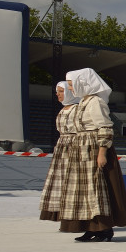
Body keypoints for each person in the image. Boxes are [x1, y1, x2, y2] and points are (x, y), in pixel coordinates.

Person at [58, 68, 126, 241]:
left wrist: (102, 153)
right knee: (84, 191)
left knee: (97, 189)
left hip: (93, 148)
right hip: (81, 148)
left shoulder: (95, 102)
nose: (71, 89)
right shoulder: (83, 102)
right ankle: (91, 227)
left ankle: (104, 228)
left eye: (72, 85)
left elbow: (105, 128)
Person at [39, 80, 78, 225]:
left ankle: (74, 217)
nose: (58, 94)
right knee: (61, 182)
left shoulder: (77, 109)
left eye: (61, 91)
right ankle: (63, 215)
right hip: (62, 148)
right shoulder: (63, 109)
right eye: (57, 92)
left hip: (73, 146)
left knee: (72, 182)